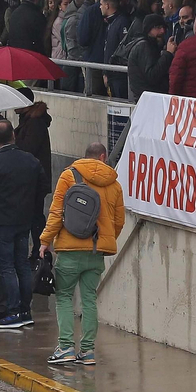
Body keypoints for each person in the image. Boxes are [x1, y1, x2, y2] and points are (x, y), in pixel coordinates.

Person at [39, 141, 124, 366]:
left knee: (64, 297)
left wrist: (45, 240)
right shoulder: (114, 183)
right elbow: (118, 221)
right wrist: (105, 240)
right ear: (103, 157)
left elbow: (57, 212)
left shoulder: (69, 176)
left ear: (85, 156)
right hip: (96, 252)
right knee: (89, 299)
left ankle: (66, 346)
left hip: (69, 249)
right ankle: (87, 352)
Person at [0, 121, 49, 331]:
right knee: (23, 265)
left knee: (7, 267)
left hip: (1, 222)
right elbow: (43, 187)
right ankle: (25, 311)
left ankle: (13, 311)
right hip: (24, 220)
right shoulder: (31, 161)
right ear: (14, 137)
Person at [122, 14, 176, 100]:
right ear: (148, 29)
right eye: (158, 27)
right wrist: (168, 54)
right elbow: (152, 75)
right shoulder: (144, 47)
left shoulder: (152, 46)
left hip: (149, 97)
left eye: (163, 27)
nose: (162, 31)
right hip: (148, 99)